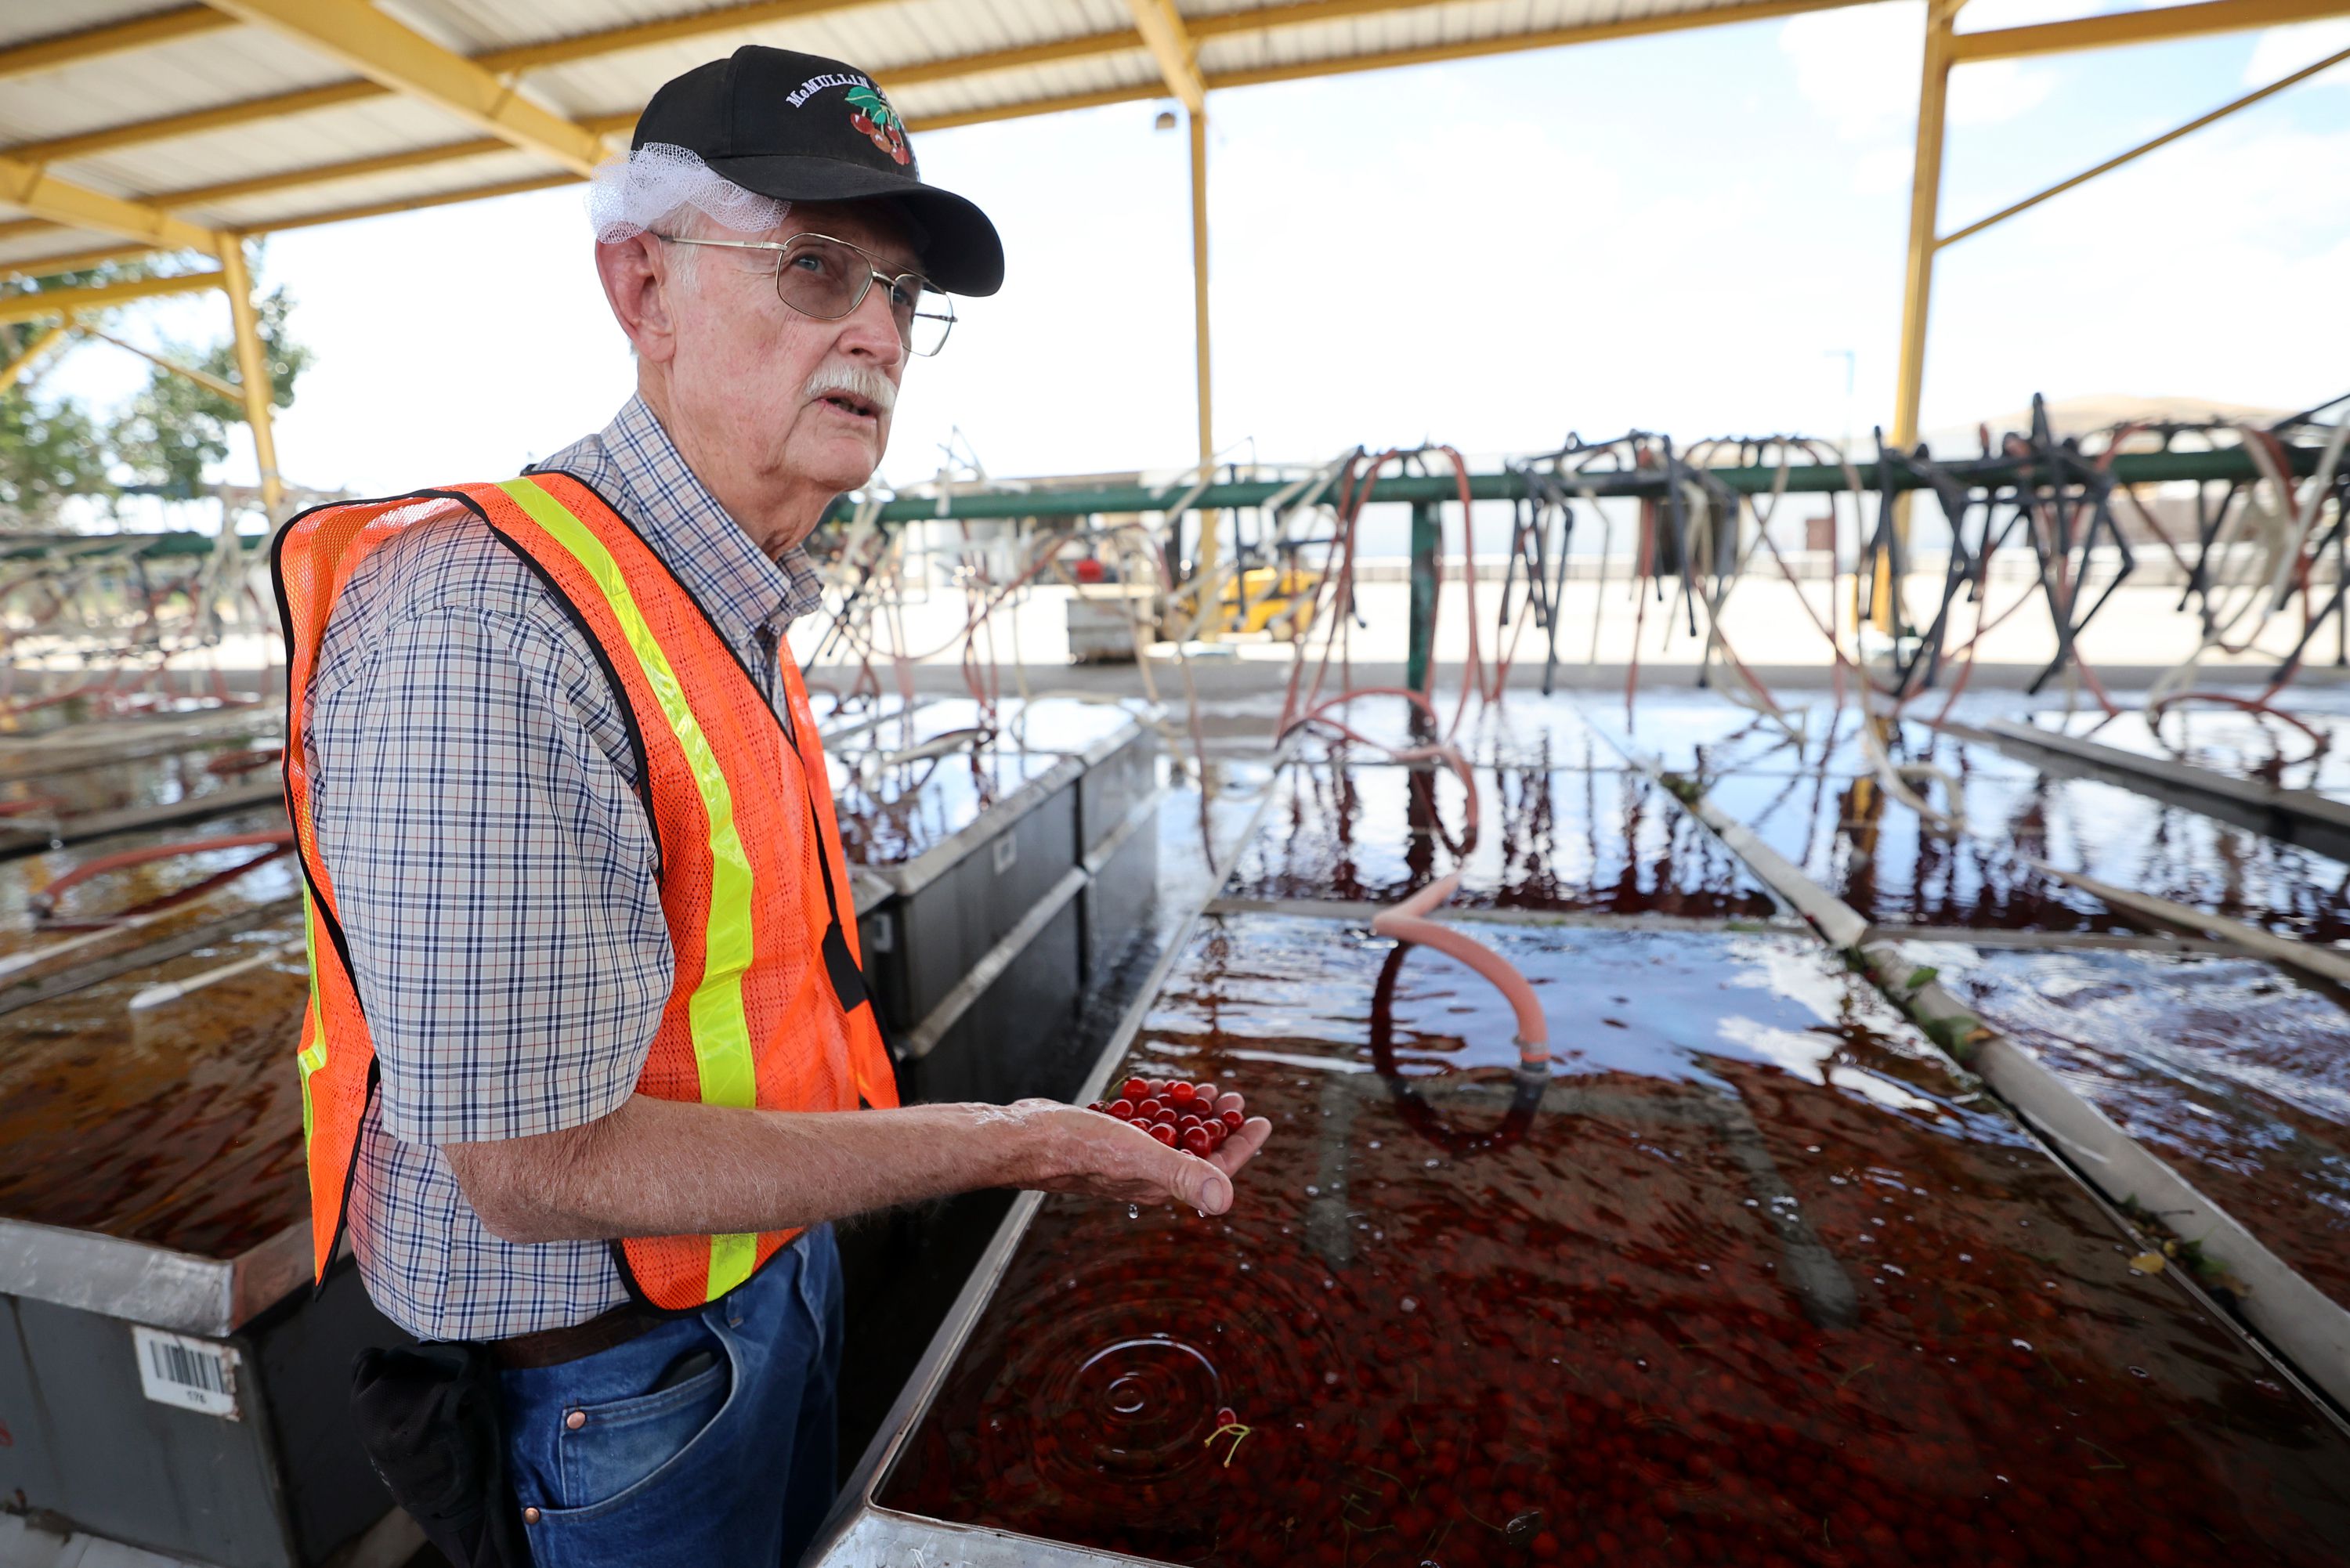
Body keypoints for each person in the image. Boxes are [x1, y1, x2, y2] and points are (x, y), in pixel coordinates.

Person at [276, 46, 1271, 1568]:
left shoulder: (723, 593)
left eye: (901, 296)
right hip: (616, 1386)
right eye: (817, 268)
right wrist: (1006, 1138)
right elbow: (536, 1163)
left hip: (760, 1276)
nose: (878, 329)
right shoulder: (486, 620)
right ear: (643, 288)